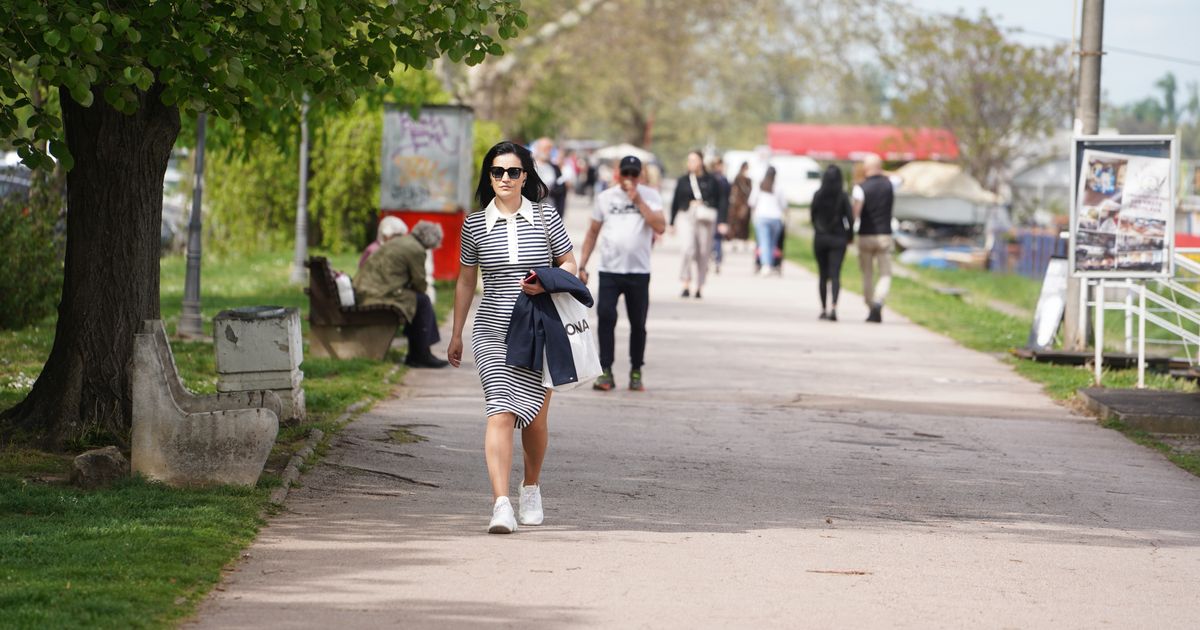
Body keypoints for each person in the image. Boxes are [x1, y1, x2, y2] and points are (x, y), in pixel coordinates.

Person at [448, 141, 578, 534]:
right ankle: (501, 503)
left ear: (526, 176)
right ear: (489, 177)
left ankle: (531, 486)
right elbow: (466, 281)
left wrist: (549, 281)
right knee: (500, 411)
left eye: (513, 172)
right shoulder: (473, 225)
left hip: (539, 328)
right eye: (497, 172)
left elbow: (569, 261)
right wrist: (456, 333)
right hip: (491, 331)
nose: (505, 178)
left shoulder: (545, 216)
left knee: (536, 420)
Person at [577, 155, 666, 392]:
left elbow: (660, 226)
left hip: (638, 271)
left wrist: (638, 201)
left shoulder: (651, 196)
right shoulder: (605, 198)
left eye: (633, 174)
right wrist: (582, 264)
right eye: (624, 173)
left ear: (641, 175)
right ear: (618, 174)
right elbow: (592, 232)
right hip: (609, 270)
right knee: (605, 318)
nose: (629, 179)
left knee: (638, 323)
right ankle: (605, 371)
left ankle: (636, 370)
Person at [353, 220, 448, 368]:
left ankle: (418, 354)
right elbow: (420, 281)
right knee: (422, 301)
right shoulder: (416, 249)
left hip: (367, 289)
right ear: (431, 241)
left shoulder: (404, 241)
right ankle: (421, 354)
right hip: (377, 294)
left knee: (416, 301)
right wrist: (418, 289)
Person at [670, 150, 725, 298]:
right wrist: (671, 223)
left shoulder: (712, 181)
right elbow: (675, 201)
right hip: (686, 216)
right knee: (687, 249)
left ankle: (699, 285)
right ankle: (686, 282)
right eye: (689, 160)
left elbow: (721, 201)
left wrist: (721, 221)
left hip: (705, 218)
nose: (691, 163)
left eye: (694, 160)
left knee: (703, 252)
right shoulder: (683, 180)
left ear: (701, 162)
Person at [852, 154, 895, 323]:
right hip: (884, 234)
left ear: (865, 168)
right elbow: (902, 178)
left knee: (867, 274)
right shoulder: (889, 184)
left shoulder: (860, 188)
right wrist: (882, 171)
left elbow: (855, 213)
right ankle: (878, 301)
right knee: (885, 273)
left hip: (865, 234)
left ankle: (871, 306)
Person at [810, 165, 854, 321]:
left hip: (821, 238)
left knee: (822, 275)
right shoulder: (842, 196)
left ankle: (823, 308)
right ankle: (834, 307)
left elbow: (813, 216)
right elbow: (850, 218)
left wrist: (818, 229)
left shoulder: (818, 195)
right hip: (838, 238)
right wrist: (850, 236)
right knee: (835, 274)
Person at [749, 166, 787, 276]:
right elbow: (783, 205)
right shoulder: (778, 187)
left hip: (761, 217)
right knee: (772, 243)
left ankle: (766, 265)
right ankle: (769, 263)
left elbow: (751, 202)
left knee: (764, 242)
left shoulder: (759, 186)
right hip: (776, 218)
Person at [709, 156, 731, 274]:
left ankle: (716, 258)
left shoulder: (722, 180)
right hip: (712, 211)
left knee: (716, 237)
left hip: (720, 211)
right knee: (713, 237)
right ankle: (714, 257)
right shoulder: (716, 179)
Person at [728, 162, 753, 247]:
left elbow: (750, 191)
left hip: (745, 202)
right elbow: (734, 188)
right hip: (737, 202)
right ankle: (733, 239)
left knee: (745, 222)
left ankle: (744, 240)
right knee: (734, 221)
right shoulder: (738, 178)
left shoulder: (749, 180)